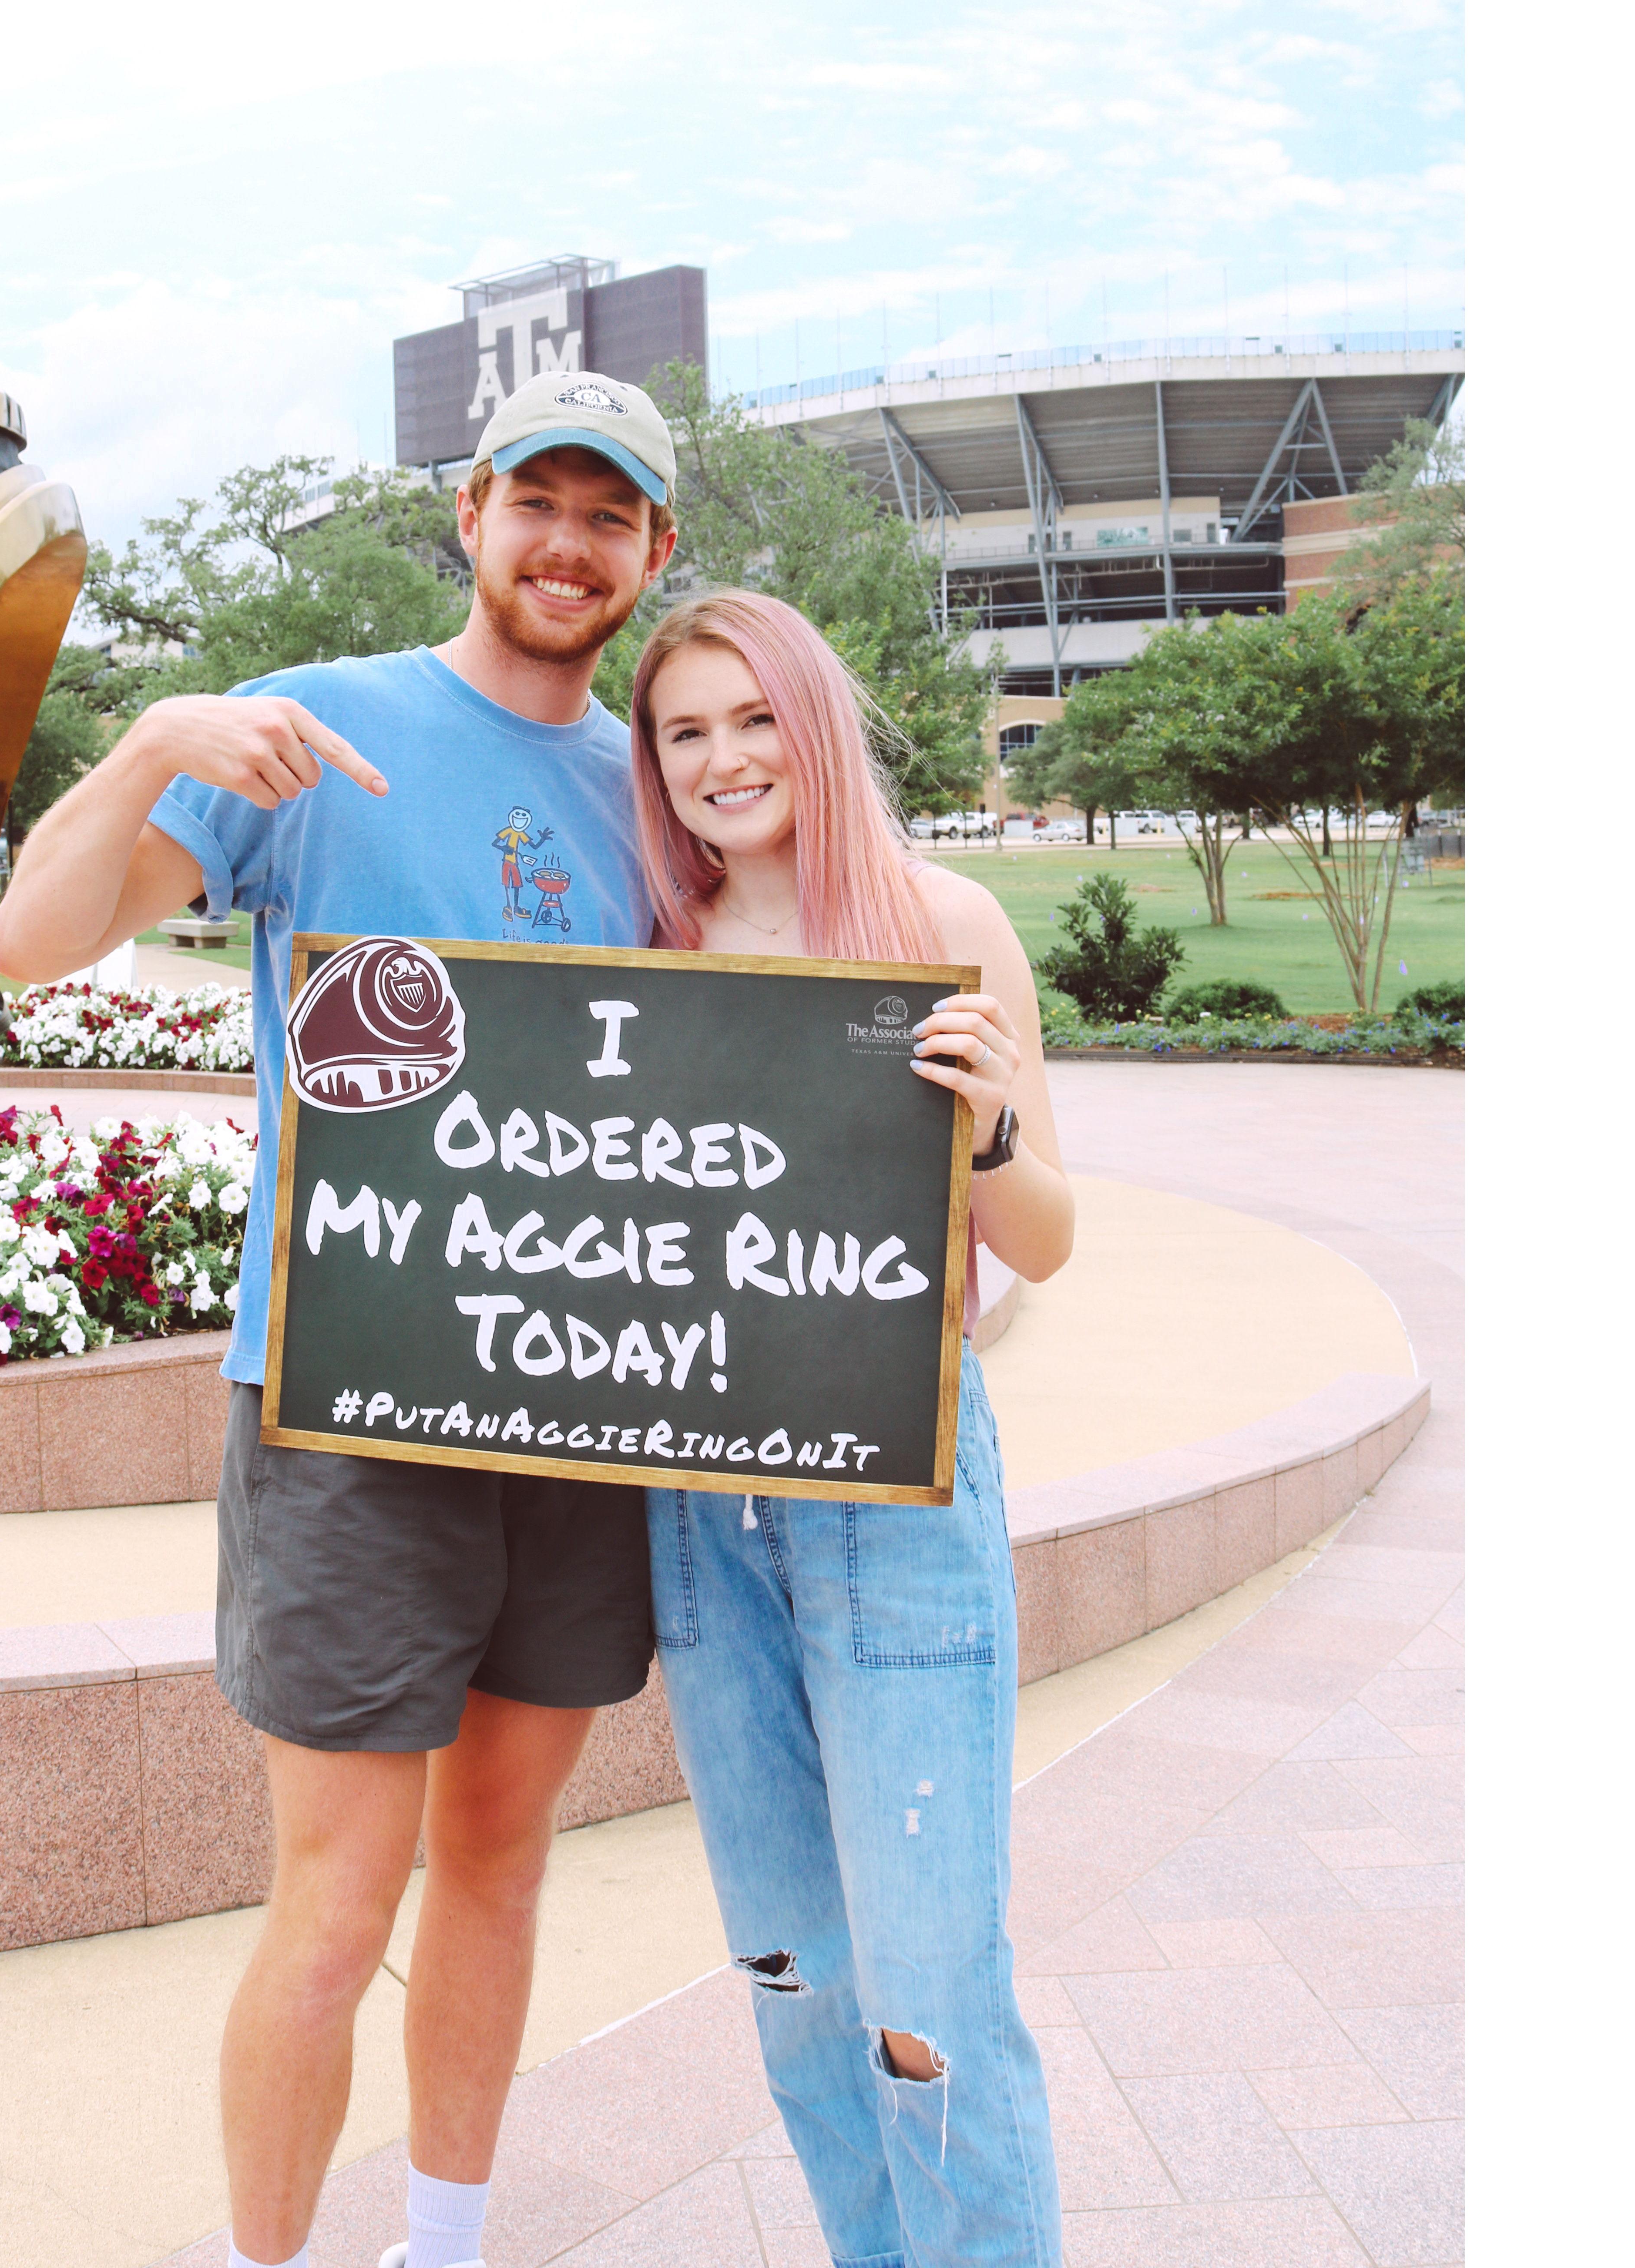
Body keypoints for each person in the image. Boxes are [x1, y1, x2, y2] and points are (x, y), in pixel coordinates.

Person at [0, 369, 682, 2268]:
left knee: (502, 1855)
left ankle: (442, 2241)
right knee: (337, 1895)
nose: (567, 544)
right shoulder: (316, 737)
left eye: (607, 516)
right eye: (536, 502)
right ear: (468, 516)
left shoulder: (654, 793)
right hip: (349, 1403)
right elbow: (34, 944)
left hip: (578, 1405)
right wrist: (144, 745)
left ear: (652, 554)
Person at [625, 587, 1078, 2268]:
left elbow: (1045, 1238)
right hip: (698, 1509)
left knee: (931, 1979)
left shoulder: (938, 920)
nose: (725, 758)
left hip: (899, 1488)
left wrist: (987, 1129)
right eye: (686, 731)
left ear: (812, 724)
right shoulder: (640, 953)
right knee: (795, 1973)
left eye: (754, 719)